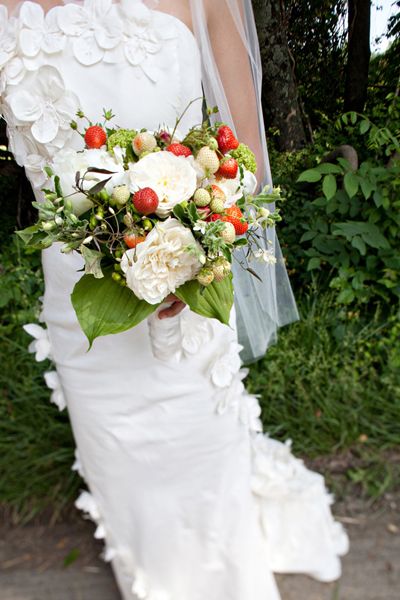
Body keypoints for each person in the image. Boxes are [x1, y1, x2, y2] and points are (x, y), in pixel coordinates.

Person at [0, 1, 349, 599]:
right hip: (76, 301)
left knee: (196, 452)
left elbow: (247, 164)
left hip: (185, 284)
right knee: (119, 459)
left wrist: (195, 242)